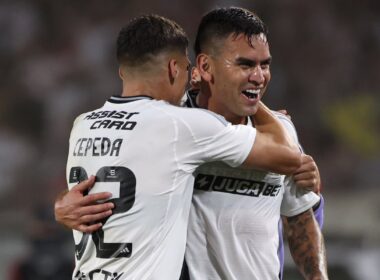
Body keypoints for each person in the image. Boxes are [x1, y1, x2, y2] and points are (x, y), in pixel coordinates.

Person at [60, 14, 302, 280]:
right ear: (174, 69)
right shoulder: (181, 126)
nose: (190, 78)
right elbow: (289, 156)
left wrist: (60, 206)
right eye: (188, 69)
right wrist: (255, 103)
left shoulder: (83, 124)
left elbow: (95, 189)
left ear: (122, 71)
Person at [181, 7, 327, 280]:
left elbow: (300, 219)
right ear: (205, 66)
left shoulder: (280, 133)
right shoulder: (175, 126)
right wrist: (72, 208)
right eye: (245, 64)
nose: (259, 77)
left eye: (265, 64)